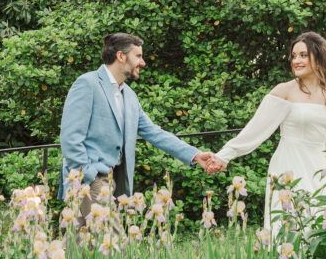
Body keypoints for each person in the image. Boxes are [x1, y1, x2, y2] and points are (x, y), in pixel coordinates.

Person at [59, 32, 216, 218]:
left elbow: (154, 133)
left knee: (82, 242)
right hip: (90, 180)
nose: (142, 62)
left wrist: (195, 155)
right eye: (138, 56)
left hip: (113, 181)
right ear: (121, 56)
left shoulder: (130, 96)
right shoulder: (87, 84)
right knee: (111, 242)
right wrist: (88, 174)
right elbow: (71, 137)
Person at [208, 32, 326, 234]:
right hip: (289, 166)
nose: (296, 61)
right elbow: (254, 131)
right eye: (294, 56)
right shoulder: (285, 91)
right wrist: (224, 155)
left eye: (303, 55)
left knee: (319, 225)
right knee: (289, 226)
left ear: (319, 58)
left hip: (319, 169)